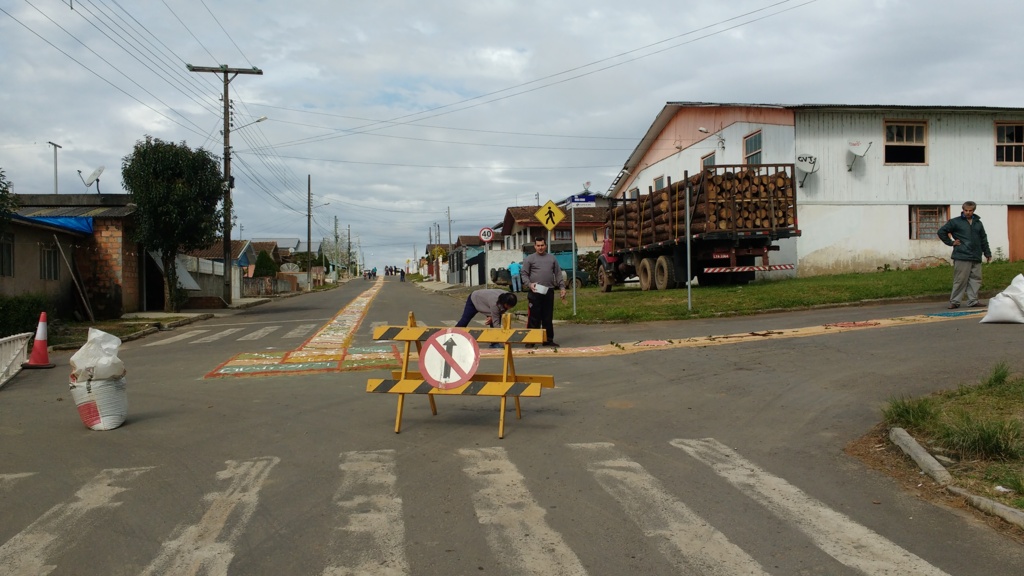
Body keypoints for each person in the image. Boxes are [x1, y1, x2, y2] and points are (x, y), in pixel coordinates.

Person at [937, 201, 991, 309]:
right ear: (963, 209)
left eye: (970, 210)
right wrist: (951, 242)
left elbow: (983, 239)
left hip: (976, 255)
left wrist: (987, 252)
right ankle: (955, 301)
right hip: (962, 255)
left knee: (976, 279)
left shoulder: (978, 223)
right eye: (966, 210)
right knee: (960, 279)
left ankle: (973, 300)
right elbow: (941, 232)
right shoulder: (955, 222)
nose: (968, 212)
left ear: (973, 210)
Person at [520, 237, 566, 346]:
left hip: (548, 291)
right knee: (534, 317)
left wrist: (562, 287)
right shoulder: (530, 259)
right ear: (535, 246)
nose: (540, 248)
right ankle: (531, 341)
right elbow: (524, 274)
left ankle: (547, 340)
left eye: (542, 245)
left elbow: (558, 274)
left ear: (545, 246)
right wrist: (529, 284)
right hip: (535, 291)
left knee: (547, 317)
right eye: (538, 245)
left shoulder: (552, 258)